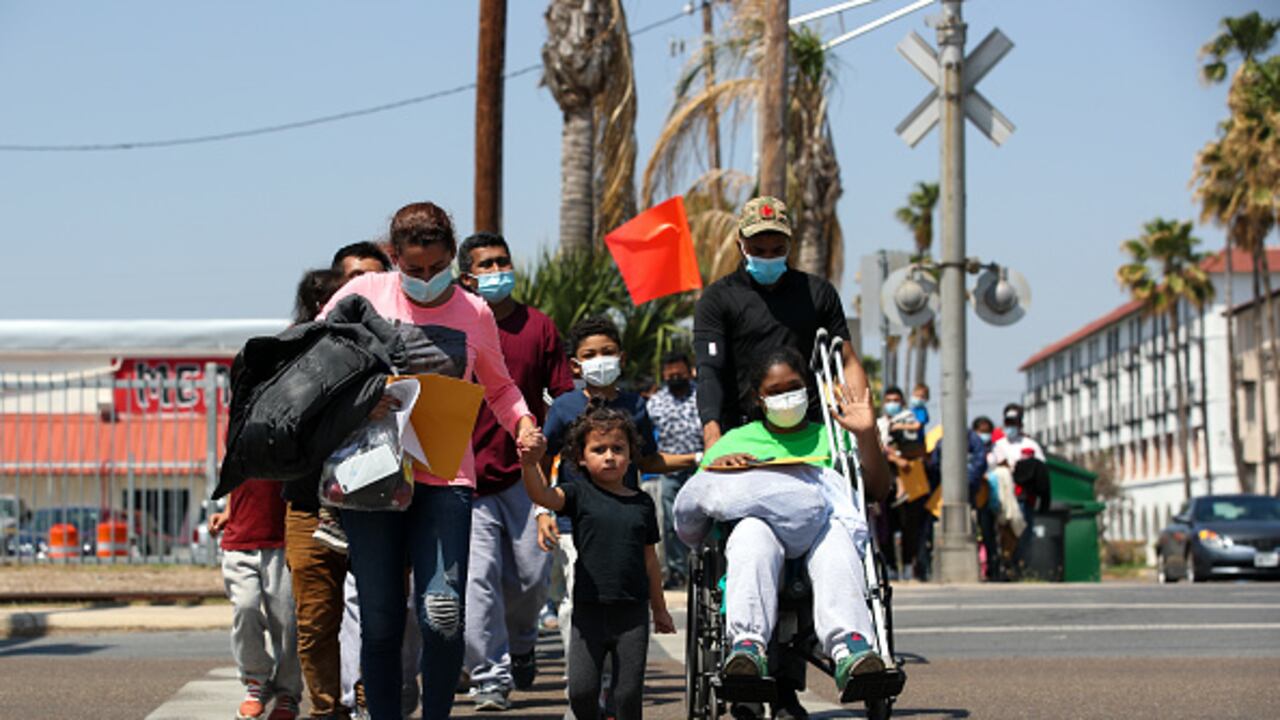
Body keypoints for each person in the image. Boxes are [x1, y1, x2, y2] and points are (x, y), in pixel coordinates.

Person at [319, 202, 540, 720]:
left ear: (452, 259)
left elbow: (501, 386)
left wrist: (524, 425)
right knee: (380, 621)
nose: (424, 280)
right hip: (369, 479)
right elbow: (315, 363)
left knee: (442, 614)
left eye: (436, 269)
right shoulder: (362, 294)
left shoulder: (474, 311)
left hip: (445, 477)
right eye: (412, 269)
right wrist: (359, 397)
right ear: (392, 256)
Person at [698, 348, 892, 706]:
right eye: (775, 390)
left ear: (808, 389)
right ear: (758, 398)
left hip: (821, 536)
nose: (786, 396)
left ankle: (852, 649)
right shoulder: (733, 442)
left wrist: (866, 436)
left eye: (794, 386)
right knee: (751, 532)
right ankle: (747, 649)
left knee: (836, 536)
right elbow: (700, 503)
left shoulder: (835, 438)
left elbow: (878, 491)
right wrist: (717, 469)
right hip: (762, 543)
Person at [456, 232, 575, 711]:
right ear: (467, 276)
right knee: (477, 578)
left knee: (529, 578)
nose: (497, 271)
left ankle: (523, 642)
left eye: (502, 262)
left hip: (528, 476)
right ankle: (490, 675)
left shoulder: (539, 327)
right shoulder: (455, 325)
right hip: (467, 476)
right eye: (486, 265)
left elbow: (563, 396)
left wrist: (556, 457)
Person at [537, 316, 698, 671]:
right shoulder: (564, 407)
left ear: (621, 358)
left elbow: (648, 459)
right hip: (572, 523)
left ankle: (610, 687)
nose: (601, 359)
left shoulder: (635, 405)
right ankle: (582, 688)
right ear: (576, 364)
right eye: (591, 354)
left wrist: (698, 457)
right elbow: (541, 461)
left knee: (621, 600)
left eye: (608, 352)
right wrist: (542, 512)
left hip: (624, 522)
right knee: (577, 602)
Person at [520, 407, 676, 720]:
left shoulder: (642, 503)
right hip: (588, 612)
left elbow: (650, 562)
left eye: (618, 449)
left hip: (631, 614)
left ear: (631, 455)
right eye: (598, 449)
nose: (609, 457)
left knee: (628, 695)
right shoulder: (578, 494)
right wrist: (529, 463)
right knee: (580, 691)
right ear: (580, 457)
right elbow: (543, 495)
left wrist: (659, 609)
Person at [694, 196, 854, 451]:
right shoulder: (718, 299)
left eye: (777, 250)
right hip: (743, 432)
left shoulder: (817, 293)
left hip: (809, 431)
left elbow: (846, 361)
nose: (768, 257)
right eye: (758, 251)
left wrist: (863, 426)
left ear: (790, 246)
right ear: (741, 245)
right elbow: (709, 370)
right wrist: (712, 431)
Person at [279, 267, 359, 720]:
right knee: (314, 619)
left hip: (373, 501)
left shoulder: (379, 346)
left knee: (374, 616)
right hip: (308, 503)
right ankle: (326, 710)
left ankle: (370, 702)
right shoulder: (290, 350)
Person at [210, 479, 303, 720]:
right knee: (245, 607)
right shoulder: (230, 437)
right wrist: (229, 511)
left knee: (286, 622)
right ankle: (256, 681)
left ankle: (287, 693)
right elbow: (235, 469)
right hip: (240, 536)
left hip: (282, 537)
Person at [645, 350, 704, 588]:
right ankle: (678, 571)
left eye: (679, 372)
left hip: (701, 469)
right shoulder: (656, 402)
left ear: (688, 372)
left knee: (703, 521)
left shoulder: (701, 396)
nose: (675, 376)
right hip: (670, 472)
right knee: (671, 525)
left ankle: (701, 567)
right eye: (670, 373)